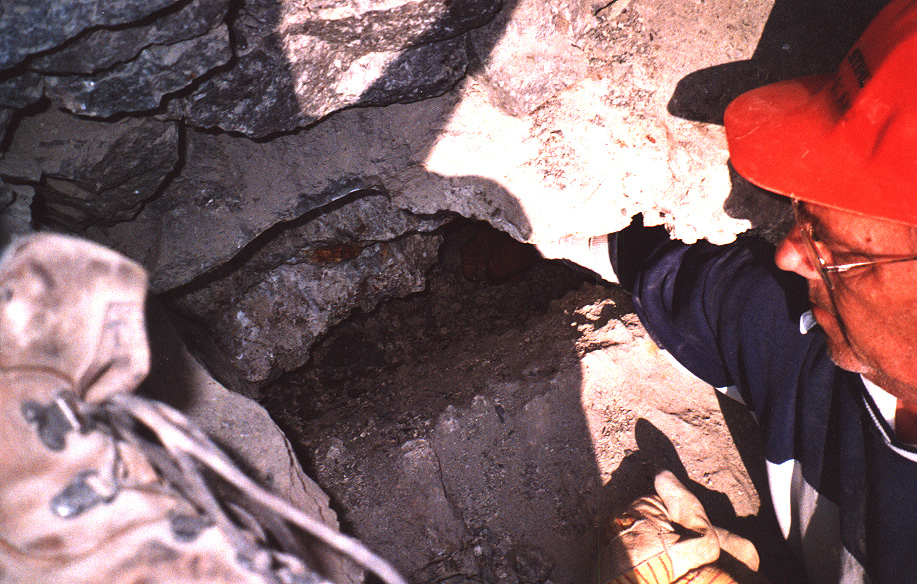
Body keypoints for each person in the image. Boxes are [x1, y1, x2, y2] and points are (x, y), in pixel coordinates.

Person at [556, 0, 917, 582]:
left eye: (838, 250)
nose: (789, 253)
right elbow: (678, 272)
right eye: (807, 212)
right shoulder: (802, 339)